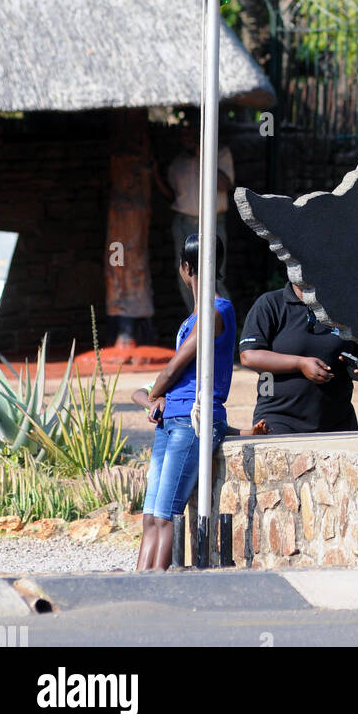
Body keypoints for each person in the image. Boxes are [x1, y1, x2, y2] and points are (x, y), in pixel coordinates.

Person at [135, 233, 236, 571]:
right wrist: (158, 396)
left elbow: (176, 364)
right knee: (150, 516)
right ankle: (137, 582)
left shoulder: (217, 310)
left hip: (191, 421)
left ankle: (157, 589)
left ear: (186, 267)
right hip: (170, 420)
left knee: (166, 516)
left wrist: (154, 391)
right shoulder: (191, 318)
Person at [239, 281, 358, 434]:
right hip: (279, 420)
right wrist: (300, 364)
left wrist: (356, 366)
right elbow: (249, 356)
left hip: (338, 421)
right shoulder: (270, 304)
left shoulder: (341, 306)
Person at [156, 124, 234, 312]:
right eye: (182, 134)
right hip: (183, 224)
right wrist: (154, 175)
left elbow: (224, 185)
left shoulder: (220, 153)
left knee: (214, 277)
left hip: (211, 225)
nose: (186, 138)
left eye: (190, 133)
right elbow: (174, 196)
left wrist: (203, 154)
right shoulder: (178, 163)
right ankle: (197, 323)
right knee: (187, 278)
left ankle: (221, 328)